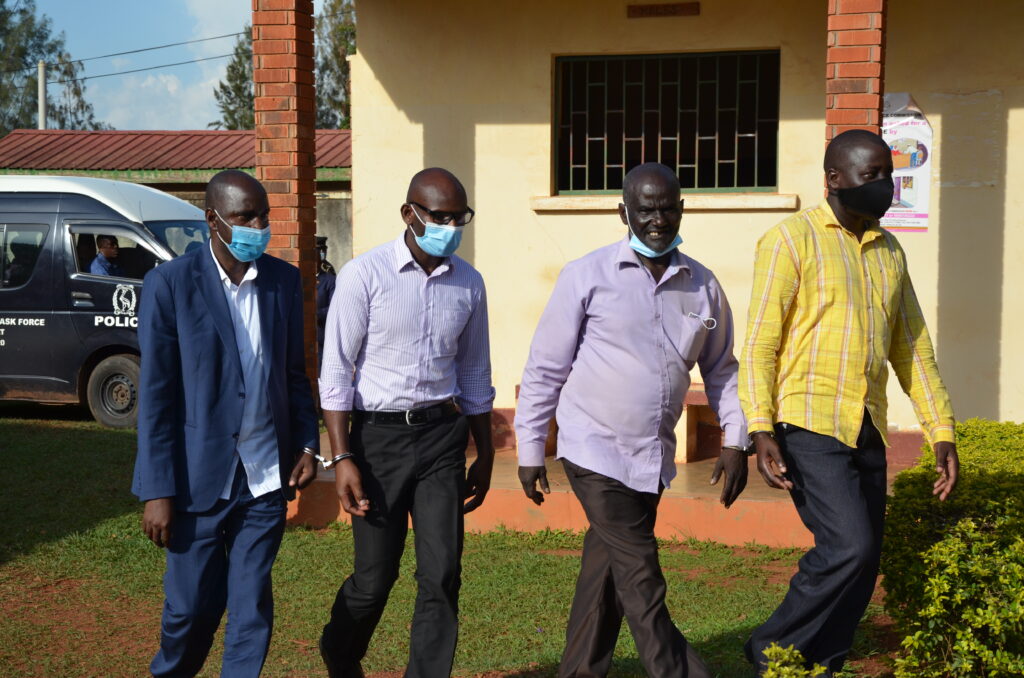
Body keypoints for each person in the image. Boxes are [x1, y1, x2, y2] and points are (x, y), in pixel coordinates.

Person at [515, 162, 749, 678]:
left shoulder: (703, 287)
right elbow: (545, 368)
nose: (658, 219)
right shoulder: (586, 275)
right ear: (624, 212)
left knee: (607, 575)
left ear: (682, 209)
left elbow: (721, 368)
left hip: (650, 457)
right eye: (646, 209)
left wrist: (735, 437)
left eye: (667, 207)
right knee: (641, 579)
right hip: (593, 448)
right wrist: (530, 449)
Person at [739, 129, 959, 676]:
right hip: (808, 420)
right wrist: (761, 428)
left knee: (864, 563)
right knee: (849, 548)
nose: (884, 185)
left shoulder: (890, 251)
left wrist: (942, 432)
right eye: (872, 176)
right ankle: (770, 646)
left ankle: (824, 661)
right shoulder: (790, 240)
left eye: (888, 174)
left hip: (867, 424)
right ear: (834, 179)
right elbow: (761, 344)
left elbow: (913, 349)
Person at [133, 169, 319, 677]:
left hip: (263, 478)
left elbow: (294, 374)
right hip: (195, 479)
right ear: (212, 219)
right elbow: (156, 396)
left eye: (263, 215)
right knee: (188, 610)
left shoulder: (282, 282)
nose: (258, 225)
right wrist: (157, 490)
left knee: (251, 606)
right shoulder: (170, 285)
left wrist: (306, 441)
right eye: (244, 217)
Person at [318, 167, 496, 678]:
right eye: (439, 216)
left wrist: (483, 453)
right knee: (375, 578)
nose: (450, 226)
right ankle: (341, 649)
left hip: (442, 436)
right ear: (409, 214)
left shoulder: (469, 283)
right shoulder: (363, 275)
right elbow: (336, 375)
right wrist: (343, 456)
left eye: (458, 217)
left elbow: (474, 373)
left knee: (441, 573)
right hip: (377, 440)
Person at [315, 235, 337, 367]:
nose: (322, 254)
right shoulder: (298, 276)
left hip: (322, 334)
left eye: (322, 251)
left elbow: (333, 307)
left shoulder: (329, 278)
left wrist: (315, 314)